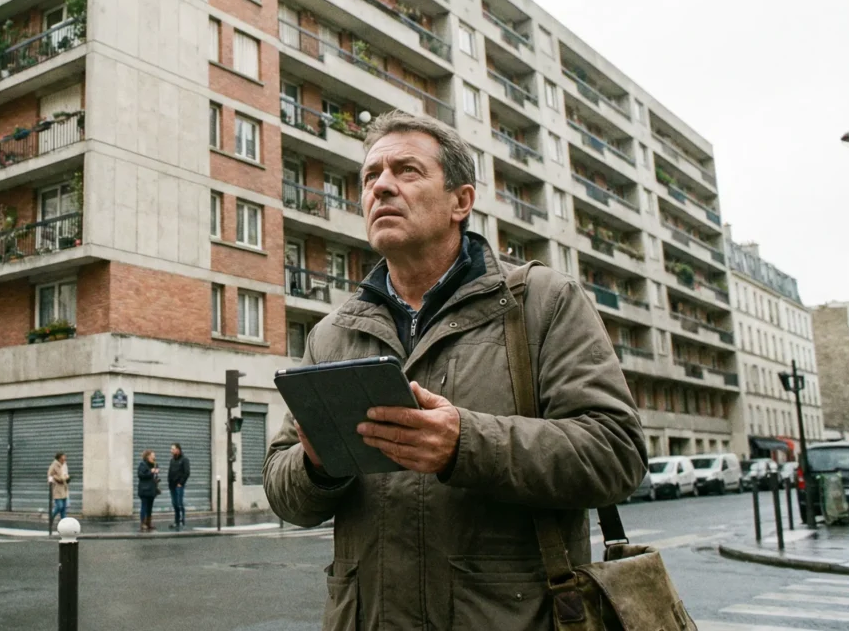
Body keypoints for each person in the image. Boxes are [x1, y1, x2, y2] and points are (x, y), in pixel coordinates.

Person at [263, 110, 646, 630]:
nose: (381, 187)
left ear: (461, 202)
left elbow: (616, 453)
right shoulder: (333, 334)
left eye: (407, 170)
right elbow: (282, 489)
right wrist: (317, 465)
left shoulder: (543, 302)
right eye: (371, 176)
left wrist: (464, 443)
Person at [167, 443, 190, 529]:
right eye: (171, 449)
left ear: (178, 450)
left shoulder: (184, 459)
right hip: (172, 486)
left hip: (179, 485)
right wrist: (169, 482)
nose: (171, 451)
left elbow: (187, 472)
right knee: (174, 503)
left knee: (179, 503)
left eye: (173, 449)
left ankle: (181, 521)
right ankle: (176, 521)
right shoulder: (172, 460)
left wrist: (181, 483)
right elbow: (170, 472)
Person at [137, 450, 160, 532]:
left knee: (150, 507)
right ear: (148, 456)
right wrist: (151, 471)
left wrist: (156, 475)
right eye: (153, 455)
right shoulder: (142, 464)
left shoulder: (155, 464)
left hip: (152, 489)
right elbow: (140, 475)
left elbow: (154, 476)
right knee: (144, 506)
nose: (154, 457)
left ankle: (148, 523)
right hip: (144, 489)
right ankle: (143, 523)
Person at [47, 452, 70, 522]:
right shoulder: (54, 465)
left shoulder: (64, 465)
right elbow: (49, 476)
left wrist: (67, 478)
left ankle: (64, 523)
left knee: (63, 509)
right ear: (59, 459)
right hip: (57, 488)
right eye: (62, 459)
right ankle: (51, 517)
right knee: (59, 506)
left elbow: (66, 474)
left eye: (64, 459)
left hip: (64, 488)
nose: (64, 460)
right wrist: (54, 481)